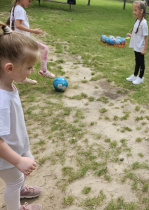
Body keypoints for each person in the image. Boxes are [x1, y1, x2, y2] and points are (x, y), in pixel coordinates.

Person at [0, 23, 42, 210]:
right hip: (6, 156)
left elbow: (17, 75)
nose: (32, 71)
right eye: (29, 67)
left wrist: (23, 76)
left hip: (17, 146)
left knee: (25, 168)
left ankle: (21, 188)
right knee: (14, 181)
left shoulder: (7, 81)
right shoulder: (1, 100)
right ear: (9, 68)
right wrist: (17, 160)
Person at [9, 0, 55, 84]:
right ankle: (43, 71)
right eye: (29, 1)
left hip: (20, 39)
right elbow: (18, 25)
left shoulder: (15, 8)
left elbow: (14, 25)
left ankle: (23, 78)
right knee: (44, 49)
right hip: (23, 40)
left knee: (23, 59)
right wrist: (34, 31)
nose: (30, 3)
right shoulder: (20, 10)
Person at [126, 1, 149, 85]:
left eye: (135, 10)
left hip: (141, 47)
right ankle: (135, 75)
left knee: (141, 63)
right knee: (137, 61)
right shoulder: (138, 20)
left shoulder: (144, 23)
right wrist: (131, 35)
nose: (134, 12)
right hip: (136, 46)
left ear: (141, 11)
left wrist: (144, 49)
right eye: (133, 10)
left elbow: (146, 37)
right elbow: (138, 34)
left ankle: (141, 77)